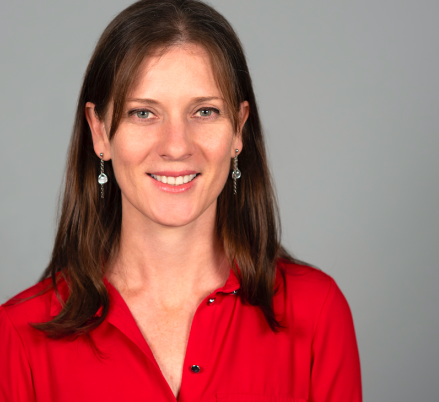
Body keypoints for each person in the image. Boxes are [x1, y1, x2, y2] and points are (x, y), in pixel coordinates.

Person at [0, 0, 362, 400]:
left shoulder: (317, 311)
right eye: (143, 114)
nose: (177, 146)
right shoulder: (18, 336)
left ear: (238, 129)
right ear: (100, 132)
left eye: (204, 111)